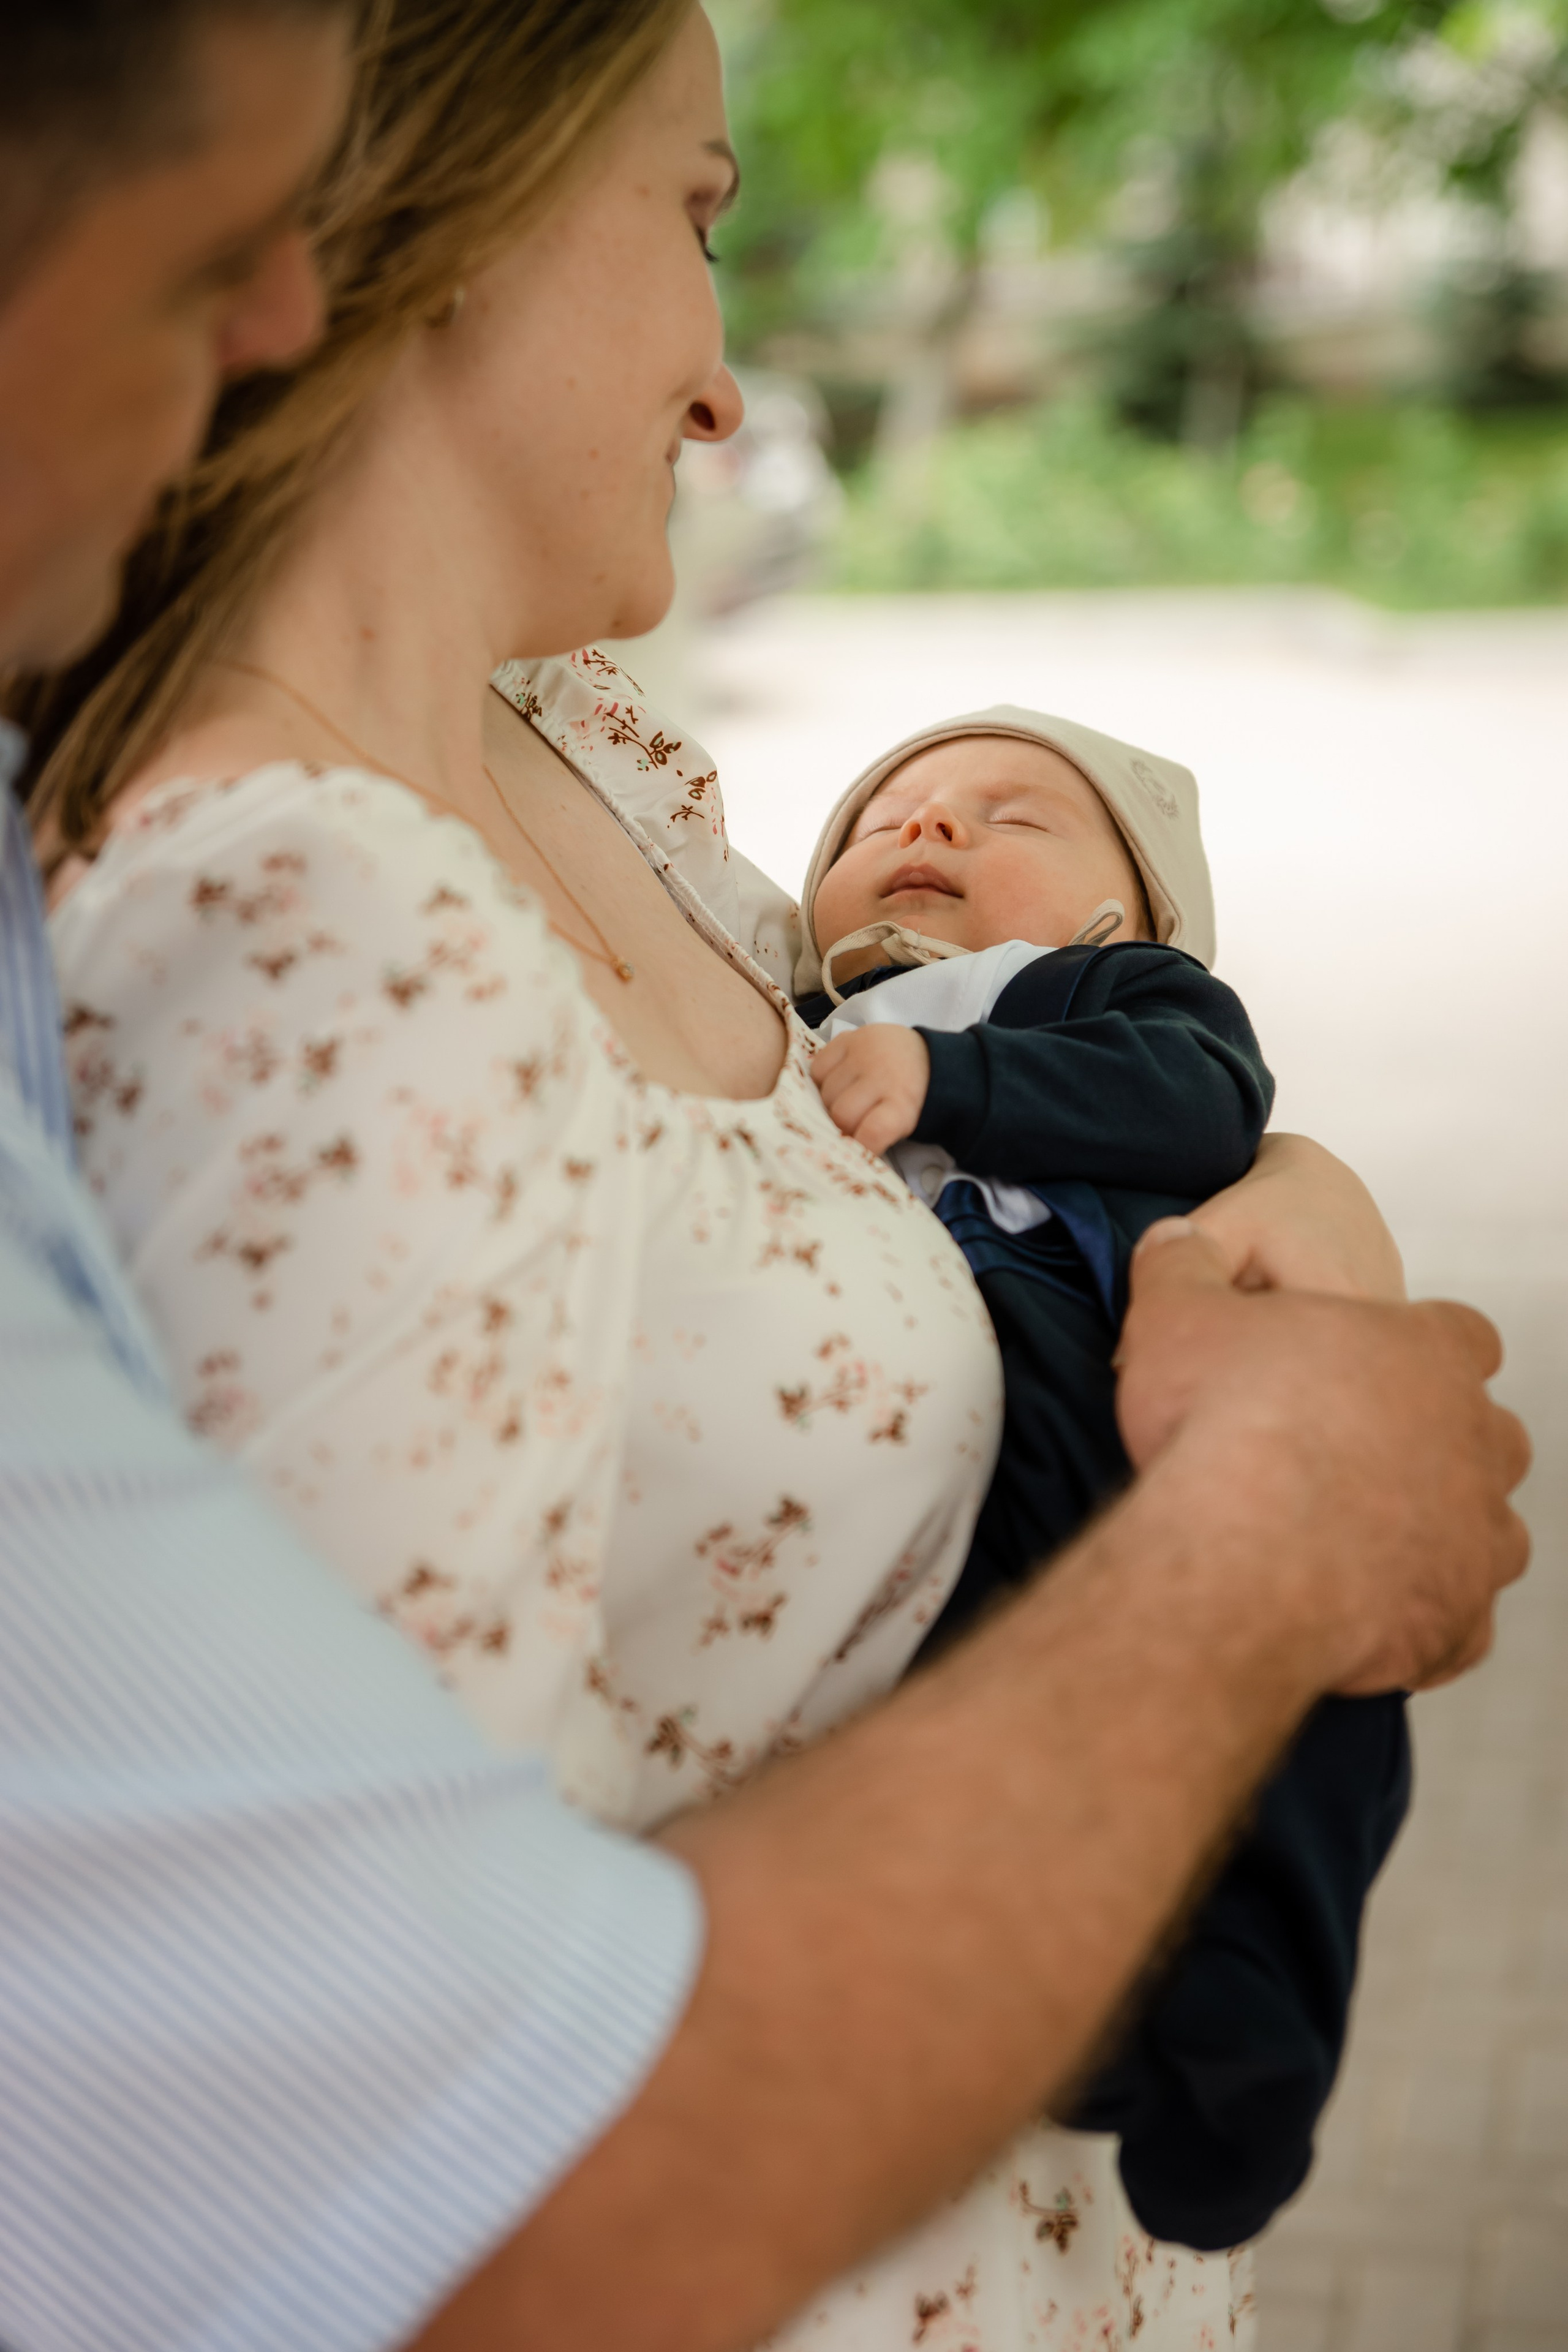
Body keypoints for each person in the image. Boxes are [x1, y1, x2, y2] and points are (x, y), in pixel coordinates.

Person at [0, 6, 1528, 2351]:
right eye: (698, 212)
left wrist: (1275, 1206)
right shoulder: (314, 925)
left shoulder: (561, 742)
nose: (726, 389)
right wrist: (1269, 1540)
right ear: (451, 208)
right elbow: (409, 2186)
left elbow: (909, 1098)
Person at [799, 704, 1411, 2255]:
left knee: (1308, 1692)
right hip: (944, 1432)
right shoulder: (776, 1014)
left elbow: (1205, 1103)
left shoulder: (1101, 990)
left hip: (1102, 1351)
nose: (928, 828)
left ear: (1125, 909)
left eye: (1007, 818)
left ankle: (1258, 2003)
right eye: (887, 815)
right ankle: (1071, 1997)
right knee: (980, 1687)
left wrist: (951, 1080)